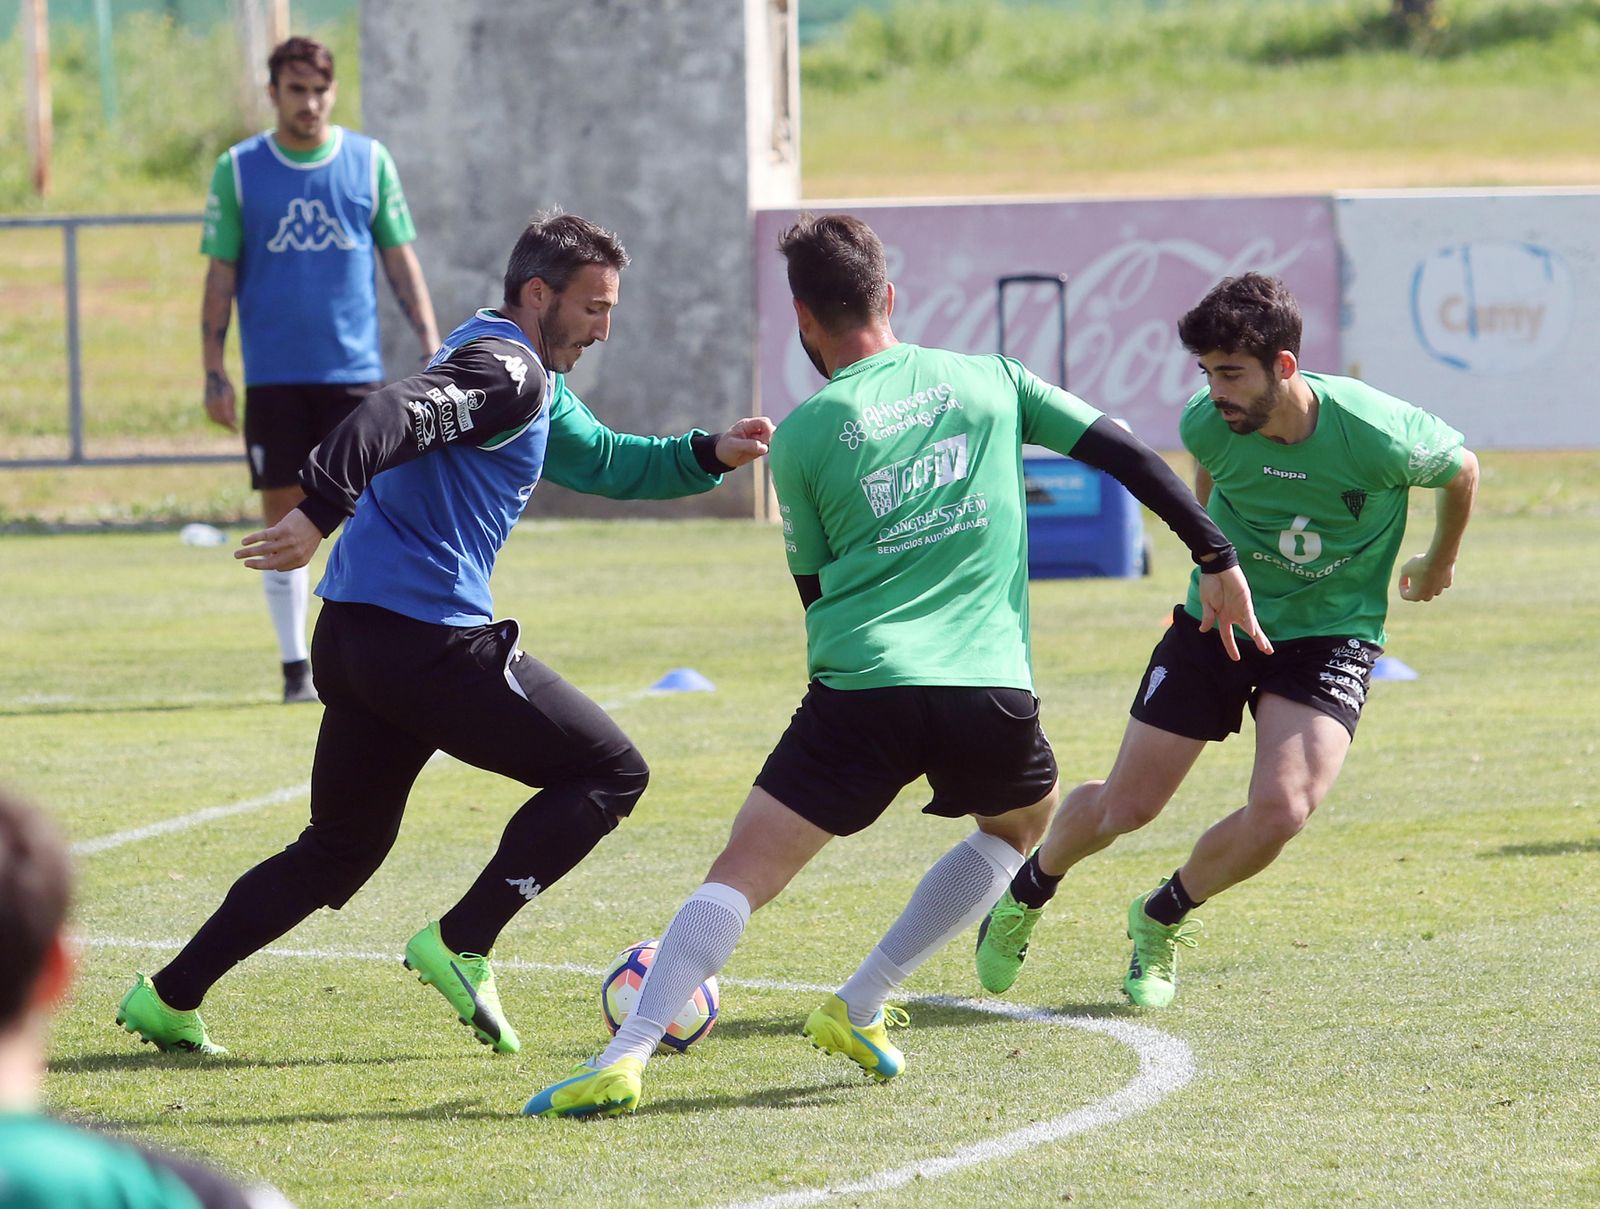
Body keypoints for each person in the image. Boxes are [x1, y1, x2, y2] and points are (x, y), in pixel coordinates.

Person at [523, 212, 1267, 1118]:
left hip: (859, 684)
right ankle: (862, 999)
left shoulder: (800, 437)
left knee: (743, 870)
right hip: (986, 687)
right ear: (889, 297)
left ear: (806, 321)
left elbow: (813, 583)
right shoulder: (990, 379)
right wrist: (1215, 553)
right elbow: (1122, 451)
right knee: (1018, 823)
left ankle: (629, 1050)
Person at [117, 210, 774, 1058]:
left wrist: (708, 452)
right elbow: (394, 411)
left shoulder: (520, 367)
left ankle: (169, 996)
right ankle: (463, 938)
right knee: (611, 770)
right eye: (593, 308)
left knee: (340, 848)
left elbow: (607, 461)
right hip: (423, 640)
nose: (605, 329)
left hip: (356, 636)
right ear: (539, 295)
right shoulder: (506, 369)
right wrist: (319, 508)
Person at [975, 271, 1479, 1008]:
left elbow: (1463, 468)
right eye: (1208, 372)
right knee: (1126, 807)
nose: (1217, 391)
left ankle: (1160, 916)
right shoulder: (1207, 422)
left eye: (1233, 373)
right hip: (1216, 622)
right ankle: (1027, 890)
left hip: (1331, 631)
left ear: (1285, 366)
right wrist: (1212, 562)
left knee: (1283, 809)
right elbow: (1204, 485)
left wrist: (1438, 561)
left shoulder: (1375, 432)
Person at [200, 35, 440, 704]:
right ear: (273, 93)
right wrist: (213, 369)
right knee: (283, 511)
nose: (310, 102)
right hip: (274, 376)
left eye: (320, 90)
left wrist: (430, 341)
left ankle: (374, 657)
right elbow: (220, 274)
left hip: (354, 375)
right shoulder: (240, 169)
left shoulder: (368, 162)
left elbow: (399, 259)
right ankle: (293, 666)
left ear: (333, 92)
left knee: (368, 513)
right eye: (297, 89)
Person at [0, 787, 293, 1208]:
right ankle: (172, 995)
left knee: (342, 844)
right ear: (59, 970)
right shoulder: (167, 1191)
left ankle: (174, 995)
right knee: (341, 848)